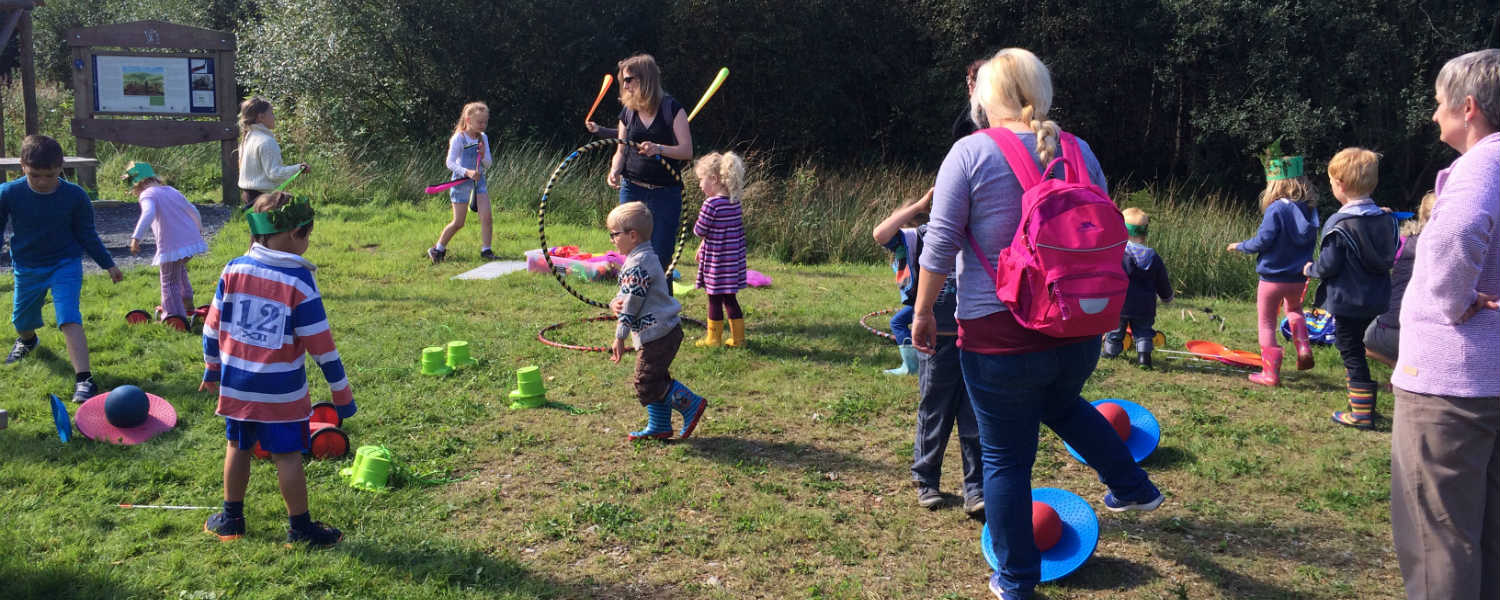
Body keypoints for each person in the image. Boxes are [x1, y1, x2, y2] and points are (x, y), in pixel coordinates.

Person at [911, 49, 1163, 600]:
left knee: (1004, 459)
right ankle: (1131, 484)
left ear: (983, 96)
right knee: (1063, 403)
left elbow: (939, 243)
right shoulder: (1079, 149)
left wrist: (926, 311)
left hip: (997, 337)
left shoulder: (969, 153)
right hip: (1077, 329)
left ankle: (1017, 581)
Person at [1390, 49, 1500, 600]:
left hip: (1450, 384)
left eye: (1438, 105)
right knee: (1485, 532)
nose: (1434, 116)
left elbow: (1457, 235)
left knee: (1439, 537)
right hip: (1490, 380)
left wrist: (1451, 301)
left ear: (1470, 107)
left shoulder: (1484, 164)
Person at [200, 192, 354, 547]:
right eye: (307, 234)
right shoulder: (300, 283)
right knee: (287, 456)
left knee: (237, 447)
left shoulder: (233, 269)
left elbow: (211, 328)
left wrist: (212, 370)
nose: (308, 241)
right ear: (290, 233)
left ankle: (231, 520)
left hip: (237, 386)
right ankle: (300, 530)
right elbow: (322, 346)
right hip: (281, 394)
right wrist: (341, 392)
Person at [872, 189, 980, 513]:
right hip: (937, 341)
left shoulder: (982, 234)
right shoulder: (921, 235)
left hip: (978, 338)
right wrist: (917, 208)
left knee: (975, 418)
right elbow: (881, 234)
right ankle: (927, 480)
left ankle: (976, 489)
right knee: (935, 412)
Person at [0, 135, 124, 402]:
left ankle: (84, 379)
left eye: (50, 175)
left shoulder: (75, 196)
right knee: (22, 321)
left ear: (60, 167)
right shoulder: (9, 193)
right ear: (22, 166)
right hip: (27, 265)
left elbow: (87, 234)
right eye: (35, 176)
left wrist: (108, 264)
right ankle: (29, 340)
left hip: (64, 263)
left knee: (68, 316)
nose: (43, 182)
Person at [1303, 148, 1398, 429]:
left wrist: (1311, 269)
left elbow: (1329, 264)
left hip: (1348, 300)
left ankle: (1360, 414)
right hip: (1377, 299)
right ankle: (1363, 405)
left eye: (1331, 182)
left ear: (1340, 185)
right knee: (1358, 347)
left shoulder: (1340, 223)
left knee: (1351, 351)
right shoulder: (1385, 219)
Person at [606, 202, 708, 441]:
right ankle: (659, 425)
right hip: (663, 331)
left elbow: (632, 303)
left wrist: (619, 336)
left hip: (658, 335)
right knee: (656, 378)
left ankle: (690, 403)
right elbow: (628, 293)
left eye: (614, 234)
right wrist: (614, 302)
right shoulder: (644, 256)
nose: (611, 239)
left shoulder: (638, 264)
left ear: (632, 236)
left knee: (646, 381)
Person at [1226, 152, 1321, 386]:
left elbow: (1263, 240)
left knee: (1267, 322)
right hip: (1298, 277)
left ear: (1275, 183)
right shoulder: (1310, 210)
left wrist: (1241, 246)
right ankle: (1303, 347)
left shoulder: (1276, 209)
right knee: (1295, 309)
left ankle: (1270, 373)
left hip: (1272, 278)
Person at [606, 54, 693, 273]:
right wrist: (615, 169)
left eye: (629, 79)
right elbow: (621, 148)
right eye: (623, 80)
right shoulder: (628, 112)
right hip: (632, 188)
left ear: (646, 79)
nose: (624, 85)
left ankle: (663, 305)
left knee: (661, 256)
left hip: (665, 192)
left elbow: (687, 151)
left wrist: (659, 149)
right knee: (628, 251)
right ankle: (630, 303)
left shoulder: (672, 109)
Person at [123, 162, 207, 323]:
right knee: (179, 270)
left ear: (139, 184)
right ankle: (186, 302)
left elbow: (148, 213)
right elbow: (192, 209)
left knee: (168, 281)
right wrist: (198, 228)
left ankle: (172, 315)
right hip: (190, 243)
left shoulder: (148, 194)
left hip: (172, 245)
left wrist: (136, 237)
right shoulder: (172, 190)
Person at [1364, 191, 1435, 368]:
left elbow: (1372, 256)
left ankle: (1400, 369)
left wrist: (1376, 222)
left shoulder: (1404, 243)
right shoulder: (1454, 248)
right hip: (1433, 332)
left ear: (1421, 215)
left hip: (1392, 328)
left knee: (1358, 342)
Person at [691, 152, 749, 348]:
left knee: (714, 299)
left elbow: (700, 230)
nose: (700, 185)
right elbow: (722, 231)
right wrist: (702, 245)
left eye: (701, 180)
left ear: (714, 179)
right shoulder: (735, 202)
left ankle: (713, 339)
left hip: (717, 262)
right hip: (732, 261)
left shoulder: (711, 203)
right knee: (730, 299)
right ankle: (739, 339)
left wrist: (698, 235)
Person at [872, 190, 933, 376]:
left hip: (924, 299)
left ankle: (912, 367)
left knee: (900, 323)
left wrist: (917, 206)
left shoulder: (908, 239)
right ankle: (921, 364)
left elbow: (881, 234)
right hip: (928, 297)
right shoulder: (925, 239)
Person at [1103, 207, 1173, 368]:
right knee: (1143, 332)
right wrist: (1167, 297)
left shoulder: (1116, 252)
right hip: (1145, 306)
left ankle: (1110, 352)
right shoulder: (1152, 256)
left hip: (1120, 303)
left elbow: (1107, 277)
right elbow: (1162, 281)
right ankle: (1144, 358)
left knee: (1115, 330)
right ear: (1145, 232)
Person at [428, 102, 496, 263]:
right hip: (460, 183)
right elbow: (450, 163)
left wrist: (484, 153)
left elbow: (488, 164)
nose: (483, 125)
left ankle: (486, 250)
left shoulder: (483, 137)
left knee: (487, 217)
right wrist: (467, 172)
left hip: (479, 182)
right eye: (480, 122)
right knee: (459, 222)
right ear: (468, 120)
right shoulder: (459, 138)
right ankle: (437, 249)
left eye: (485, 121)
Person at [236, 96, 307, 206]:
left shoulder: (248, 138)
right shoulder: (266, 141)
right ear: (261, 117)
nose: (274, 117)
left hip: (248, 197)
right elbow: (274, 173)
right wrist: (298, 168)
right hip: (263, 199)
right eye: (272, 113)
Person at [953, 59, 990, 140]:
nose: (969, 82)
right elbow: (958, 132)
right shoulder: (974, 107)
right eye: (968, 78)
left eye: (973, 78)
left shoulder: (990, 110)